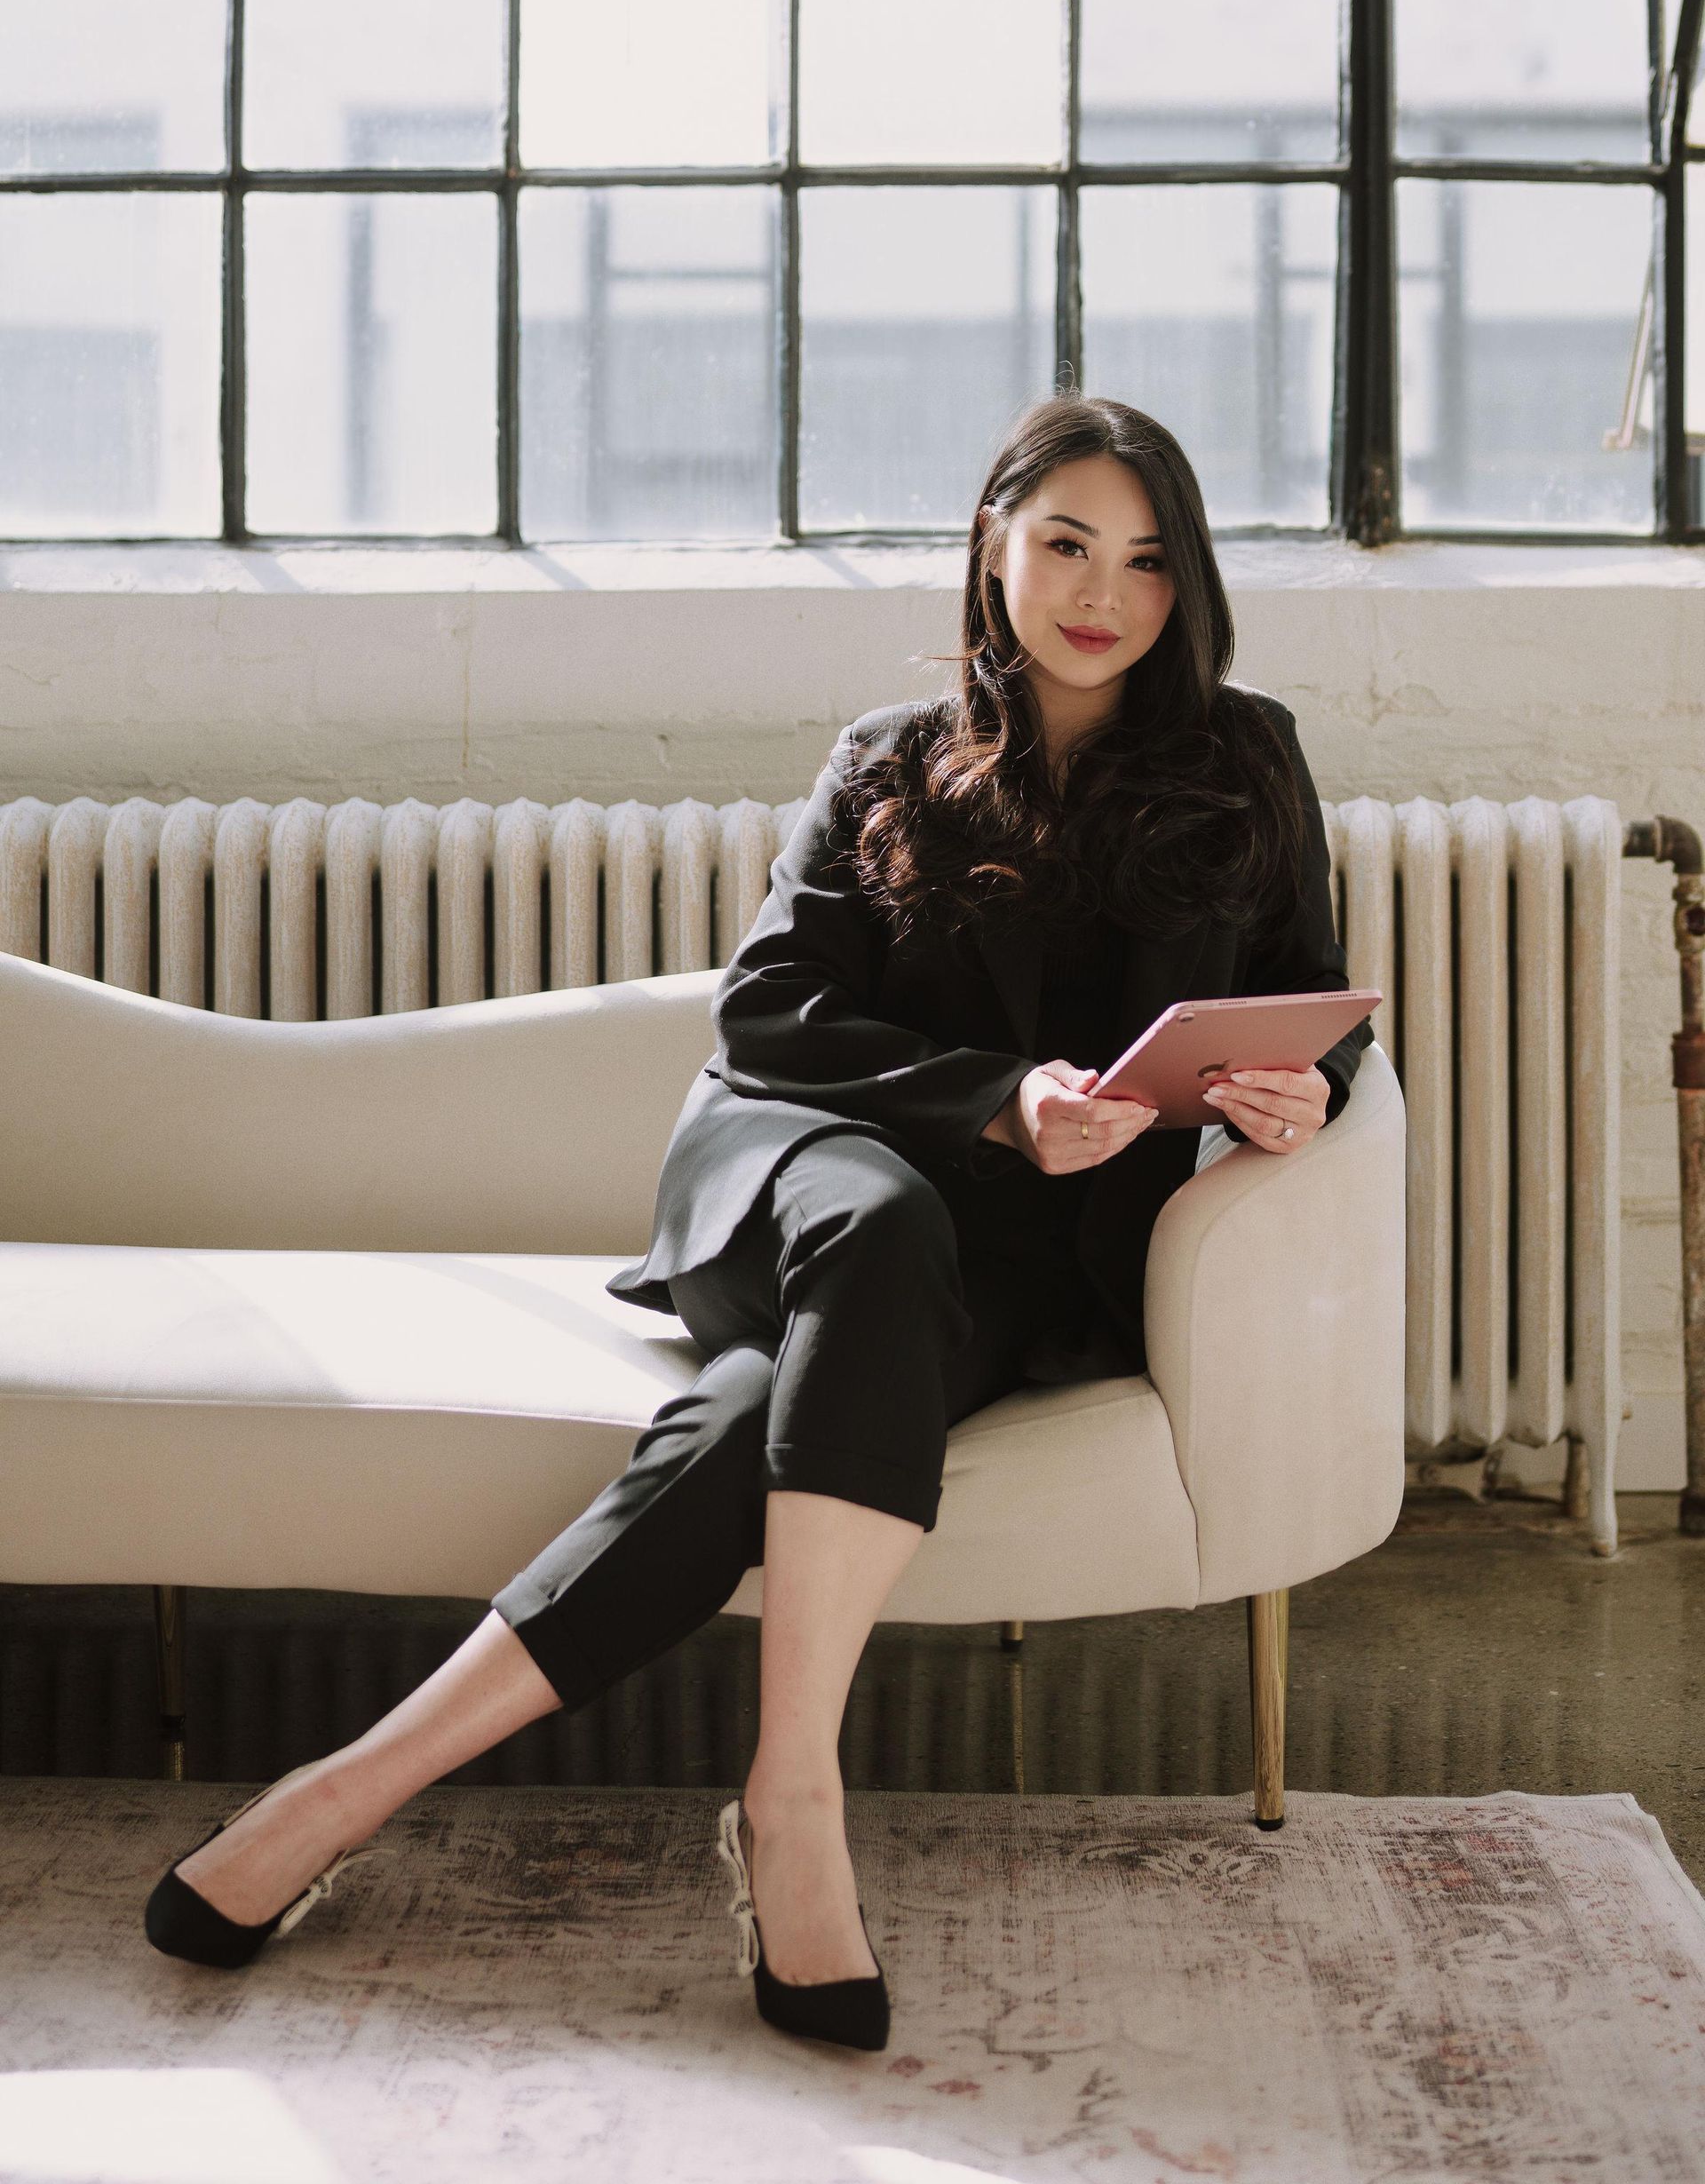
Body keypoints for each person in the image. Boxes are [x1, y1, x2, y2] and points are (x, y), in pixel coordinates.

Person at [144, 393, 1370, 2053]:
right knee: (879, 1228)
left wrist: (1300, 1094)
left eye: (1148, 561)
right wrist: (999, 1100)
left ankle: (341, 1792)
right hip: (809, 1168)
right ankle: (796, 1800)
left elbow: (1314, 1000)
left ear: (1189, 580)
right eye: (1068, 543)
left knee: (741, 1419)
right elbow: (769, 1014)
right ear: (994, 546)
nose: (1105, 594)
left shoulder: (1246, 760)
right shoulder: (890, 756)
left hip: (1020, 1257)